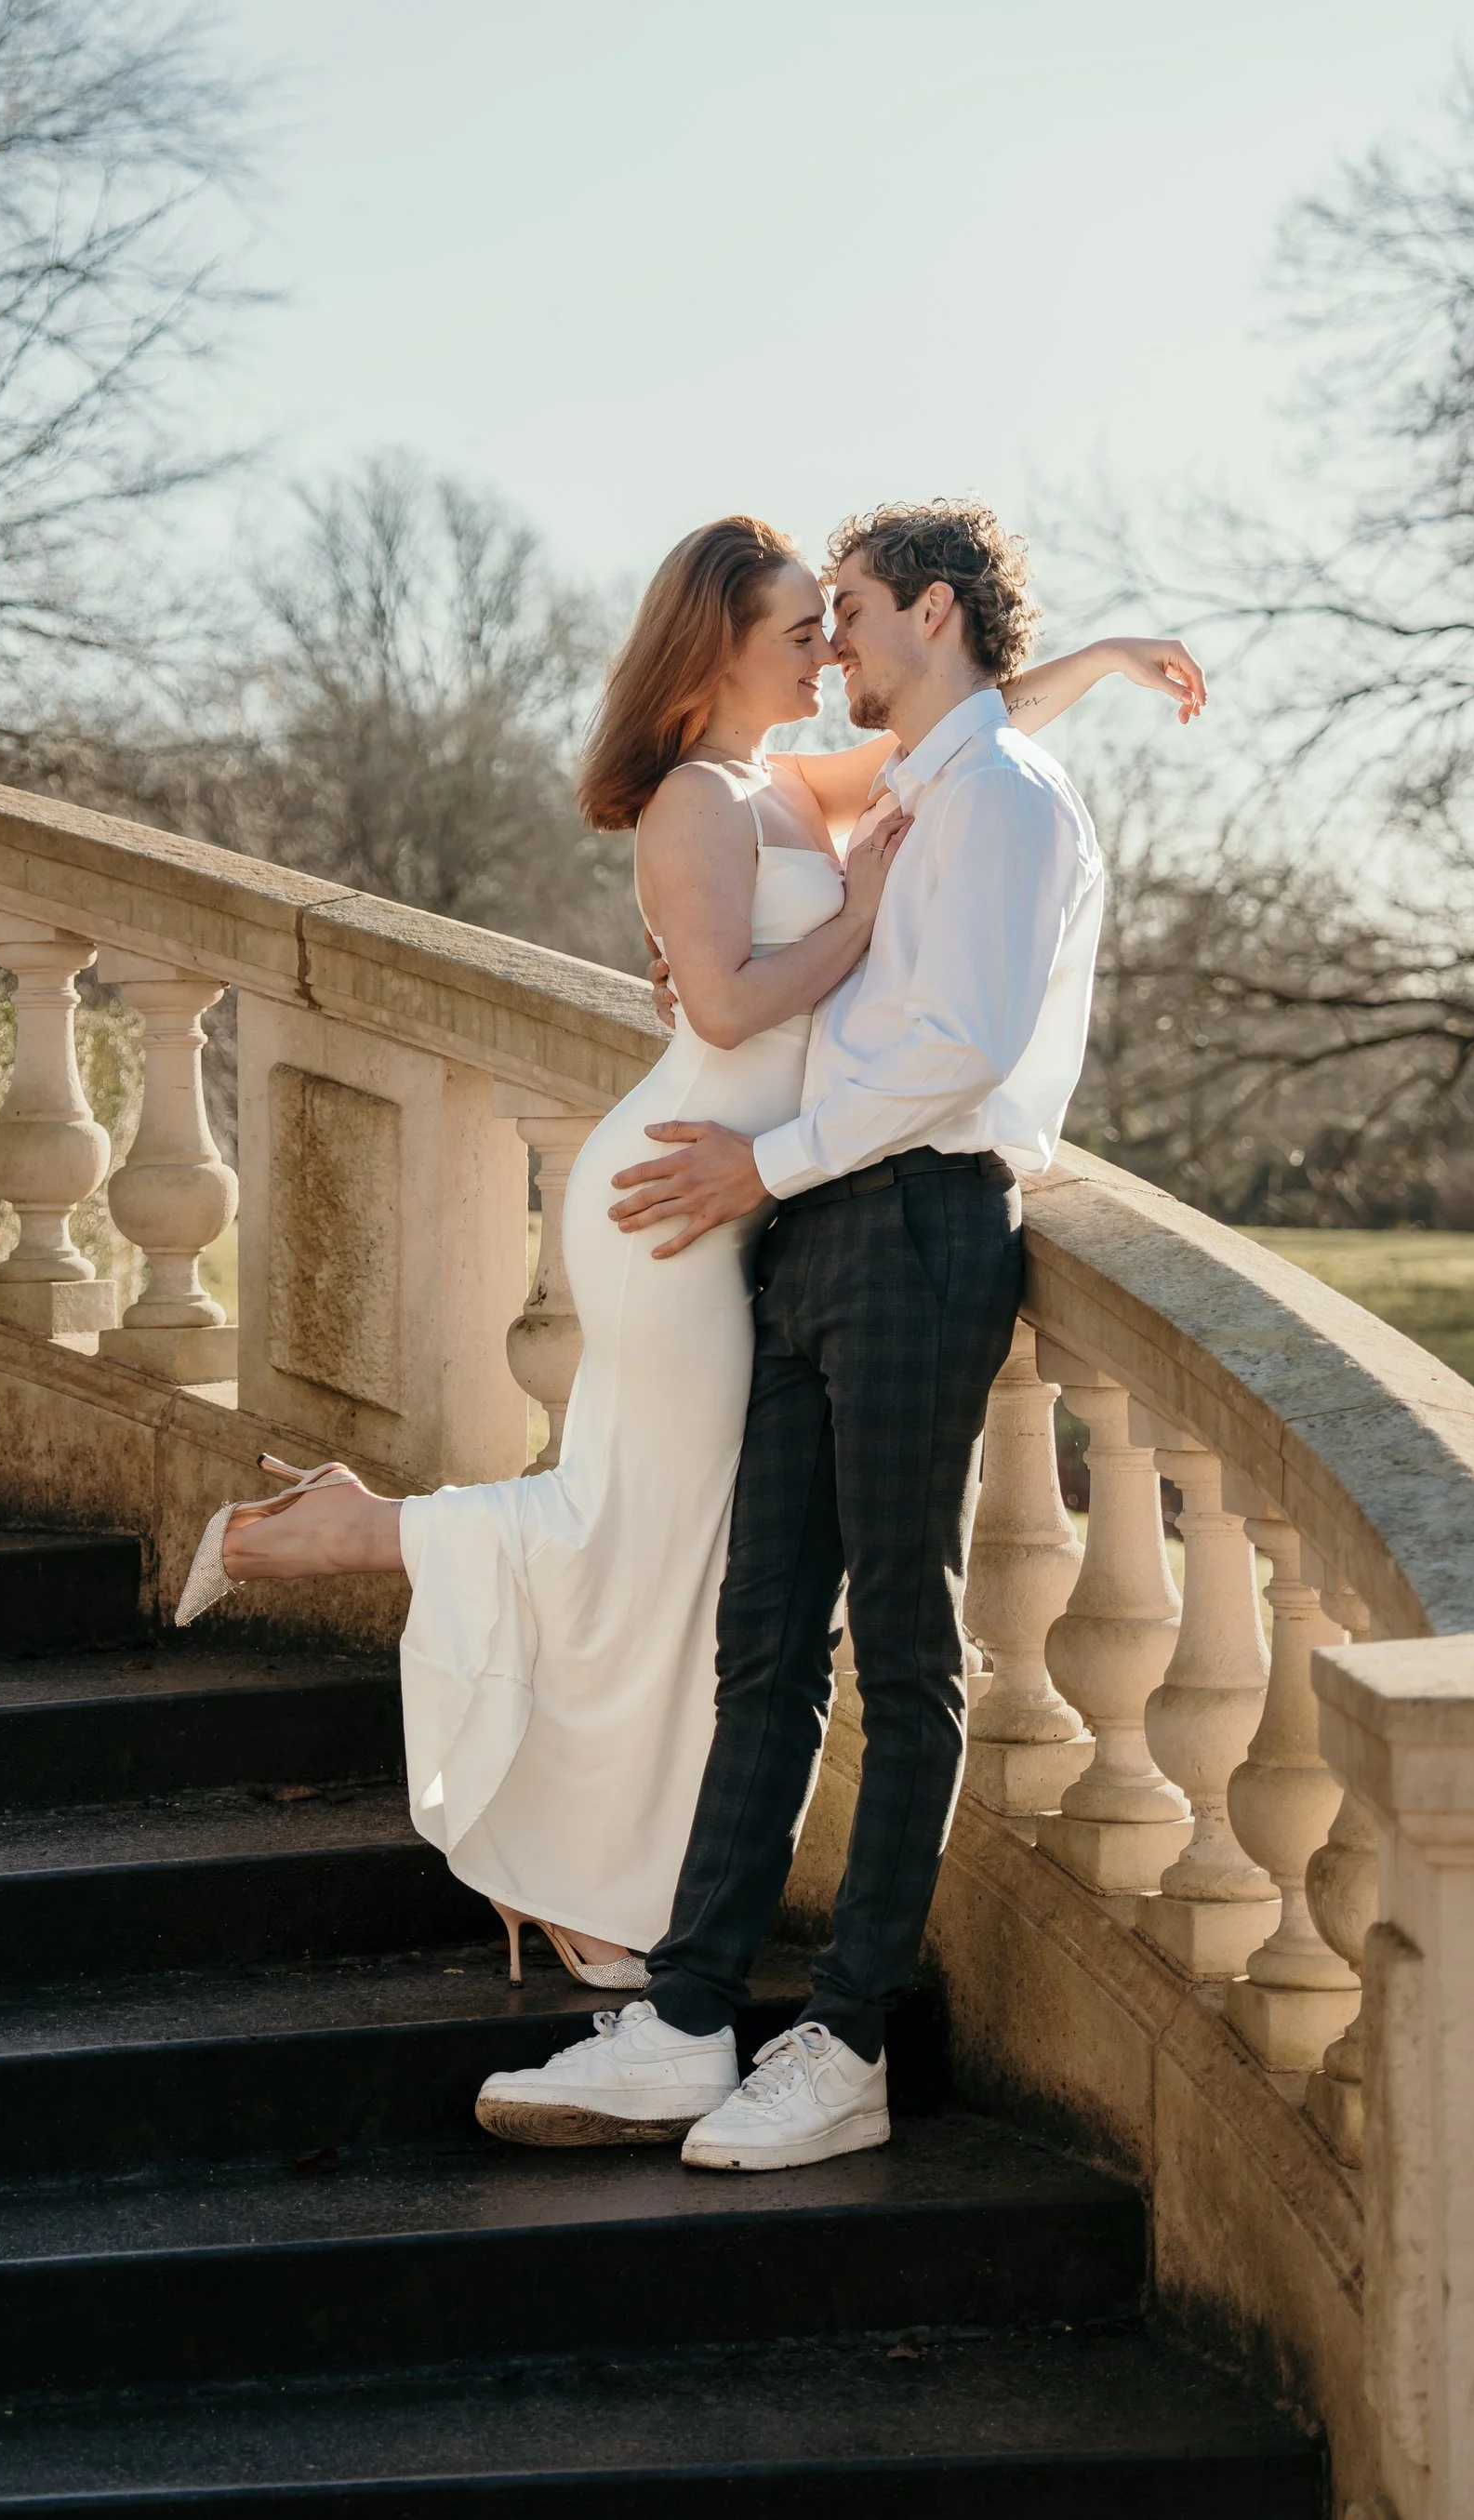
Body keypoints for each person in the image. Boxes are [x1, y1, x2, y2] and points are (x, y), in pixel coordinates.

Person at [179, 506, 1202, 2035]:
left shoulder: (787, 783)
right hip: (685, 1194)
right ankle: (371, 1558)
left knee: (696, 1561)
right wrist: (859, 916)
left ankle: (596, 1874)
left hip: (748, 1200)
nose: (829, 644)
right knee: (641, 1530)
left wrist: (1105, 659)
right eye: (804, 625)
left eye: (838, 616)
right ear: (720, 643)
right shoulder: (694, 805)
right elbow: (723, 1013)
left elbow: (958, 727)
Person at [473, 500, 1177, 2172]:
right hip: (816, 1231)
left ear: (931, 612)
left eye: (850, 611)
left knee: (906, 1650)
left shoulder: (1002, 799)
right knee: (765, 1640)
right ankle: (692, 2017)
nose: (835, 645)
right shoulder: (924, 789)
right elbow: (834, 998)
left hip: (921, 1224)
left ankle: (845, 2038)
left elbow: (960, 1042)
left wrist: (760, 1156)